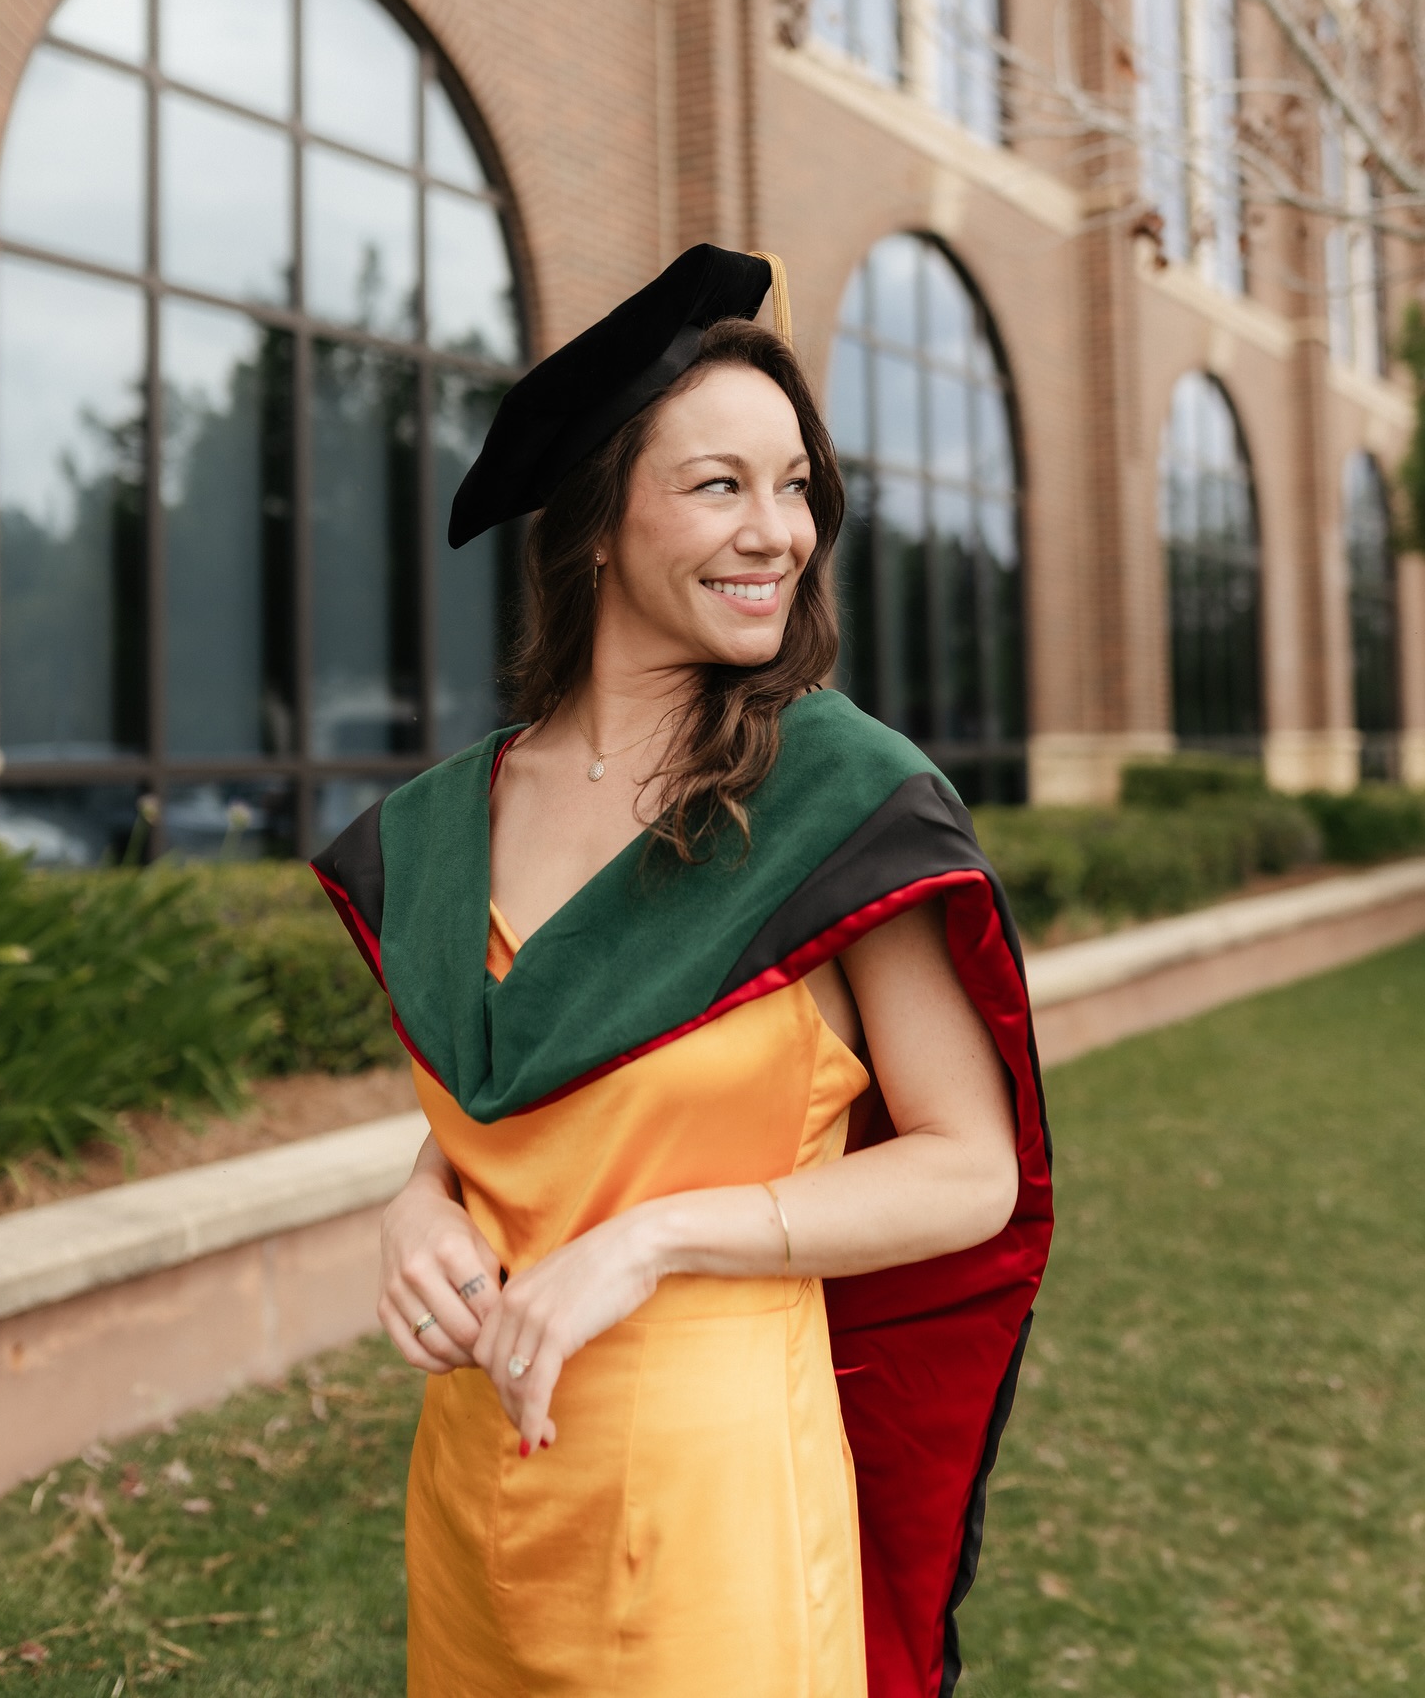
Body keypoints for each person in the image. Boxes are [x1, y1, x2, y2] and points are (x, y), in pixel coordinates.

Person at [312, 244, 1053, 1698]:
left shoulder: (834, 803)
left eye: (796, 489)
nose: (777, 531)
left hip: (713, 1502)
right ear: (598, 524)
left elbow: (974, 1171)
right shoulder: (462, 816)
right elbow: (536, 1068)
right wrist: (419, 1198)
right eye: (721, 485)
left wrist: (647, 1242)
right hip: (483, 1480)